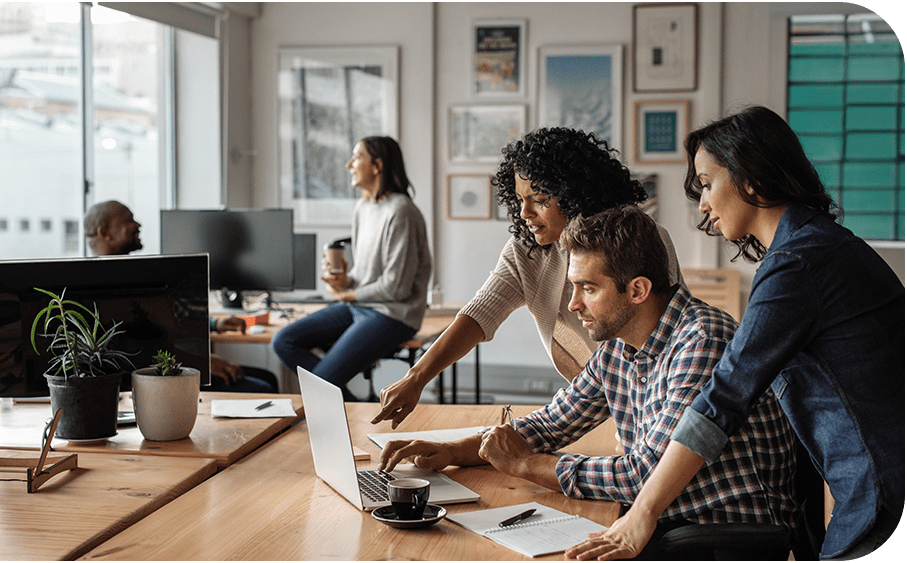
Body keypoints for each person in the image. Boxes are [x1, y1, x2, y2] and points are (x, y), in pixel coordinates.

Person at [567, 106, 905, 562]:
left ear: (751, 177)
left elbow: (724, 397)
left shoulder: (797, 264)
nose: (703, 204)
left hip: (881, 484)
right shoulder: (813, 247)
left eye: (708, 184)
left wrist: (643, 512)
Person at [378, 205, 799, 559]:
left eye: (587, 288)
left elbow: (643, 475)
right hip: (668, 518)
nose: (573, 303)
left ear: (637, 289)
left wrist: (527, 465)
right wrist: (455, 451)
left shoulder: (701, 340)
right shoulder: (621, 344)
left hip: (720, 532)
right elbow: (549, 424)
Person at [373, 127, 683, 429]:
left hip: (654, 398)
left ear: (576, 194)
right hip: (590, 401)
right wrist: (416, 378)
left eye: (539, 199)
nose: (524, 213)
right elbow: (480, 313)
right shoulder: (528, 248)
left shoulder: (637, 240)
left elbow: (664, 339)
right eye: (520, 199)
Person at [272, 136, 432, 402]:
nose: (349, 164)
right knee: (284, 341)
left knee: (321, 382)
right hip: (361, 306)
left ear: (377, 165)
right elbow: (366, 276)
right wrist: (345, 281)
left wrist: (348, 295)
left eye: (357, 157)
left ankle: (346, 410)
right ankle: (353, 409)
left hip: (394, 315)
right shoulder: (363, 208)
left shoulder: (402, 211)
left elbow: (396, 287)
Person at [83, 200, 278, 393]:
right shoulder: (101, 287)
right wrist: (199, 363)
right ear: (104, 233)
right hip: (157, 378)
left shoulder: (129, 275)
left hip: (174, 365)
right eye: (129, 220)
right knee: (263, 387)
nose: (138, 225)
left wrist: (214, 325)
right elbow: (136, 352)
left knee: (267, 378)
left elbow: (164, 321)